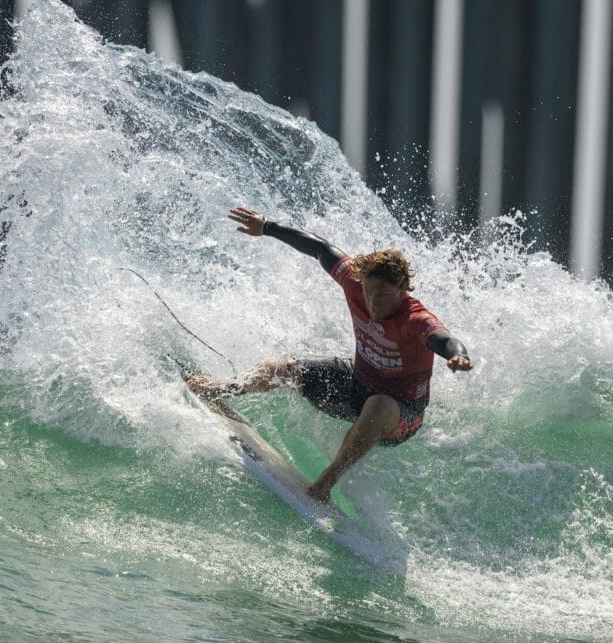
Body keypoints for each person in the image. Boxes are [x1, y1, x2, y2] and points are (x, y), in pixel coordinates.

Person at [186, 207, 473, 503]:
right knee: (282, 369)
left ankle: (326, 483)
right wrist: (267, 227)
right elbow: (319, 248)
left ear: (402, 289)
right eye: (370, 291)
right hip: (357, 387)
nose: (373, 301)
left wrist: (457, 356)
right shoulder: (355, 281)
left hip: (400, 416)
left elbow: (444, 338)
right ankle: (223, 388)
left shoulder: (415, 319)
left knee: (379, 405)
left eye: (383, 294)